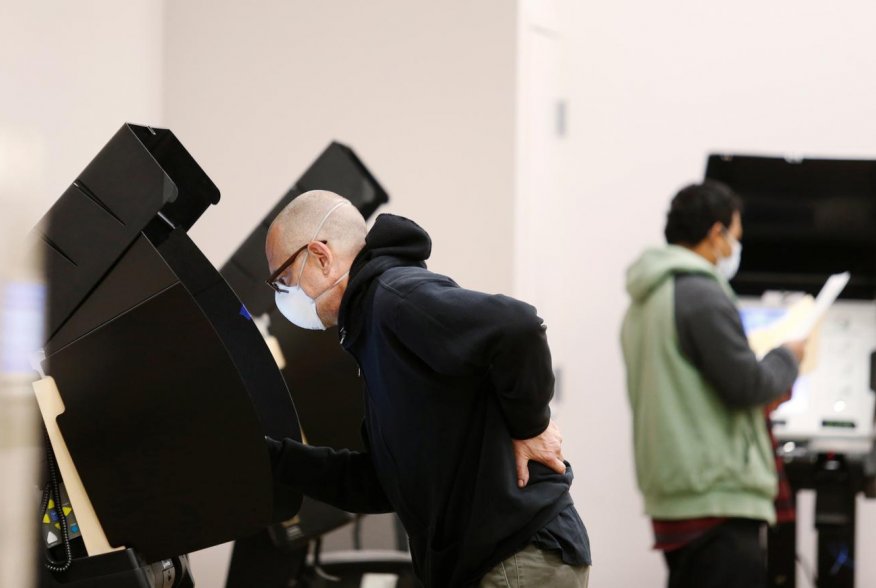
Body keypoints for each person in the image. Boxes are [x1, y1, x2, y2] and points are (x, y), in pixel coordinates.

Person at [263, 190, 591, 587]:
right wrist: (271, 457)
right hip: (493, 559)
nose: (283, 294)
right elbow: (380, 484)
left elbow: (517, 328)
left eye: (283, 279)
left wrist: (531, 425)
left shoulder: (394, 297)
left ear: (320, 255)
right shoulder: (371, 328)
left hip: (513, 554)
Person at [620, 180, 805, 588]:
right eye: (736, 237)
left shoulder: (645, 300)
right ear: (716, 234)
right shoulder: (701, 294)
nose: (735, 249)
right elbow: (746, 385)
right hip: (715, 495)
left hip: (675, 492)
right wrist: (788, 356)